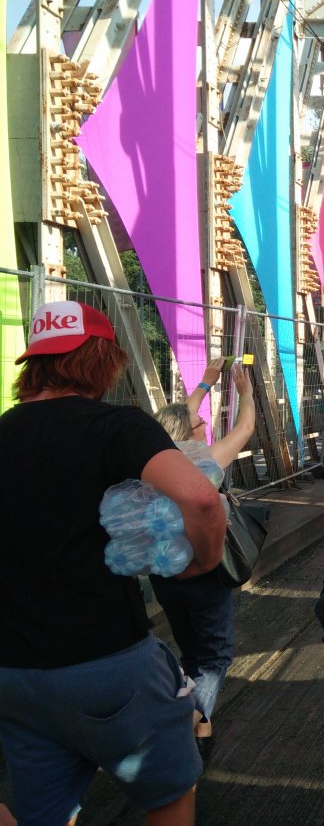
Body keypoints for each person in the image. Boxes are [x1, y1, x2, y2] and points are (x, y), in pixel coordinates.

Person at [0, 300, 226, 826]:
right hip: (107, 659)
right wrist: (205, 561)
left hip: (15, 670)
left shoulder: (4, 430)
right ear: (104, 360)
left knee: (45, 813)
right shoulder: (117, 426)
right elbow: (201, 498)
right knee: (169, 794)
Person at [150, 355, 258, 761]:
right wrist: (245, 392)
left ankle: (203, 725)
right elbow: (245, 428)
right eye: (200, 425)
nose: (204, 427)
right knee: (215, 655)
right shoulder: (204, 461)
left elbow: (178, 419)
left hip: (163, 573)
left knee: (190, 650)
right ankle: (186, 723)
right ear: (190, 433)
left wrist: (206, 384)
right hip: (202, 572)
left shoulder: (153, 460)